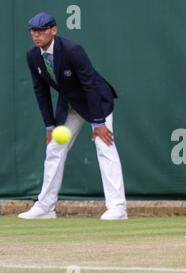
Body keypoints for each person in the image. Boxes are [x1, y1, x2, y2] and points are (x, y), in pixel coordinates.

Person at [19, 12, 127, 220]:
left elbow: (90, 85)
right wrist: (49, 126)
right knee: (54, 149)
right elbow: (40, 91)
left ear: (53, 30)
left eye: (41, 30)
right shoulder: (32, 56)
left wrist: (98, 122)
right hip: (69, 106)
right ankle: (46, 207)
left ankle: (117, 207)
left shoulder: (72, 50)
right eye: (33, 31)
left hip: (97, 101)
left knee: (105, 146)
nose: (36, 35)